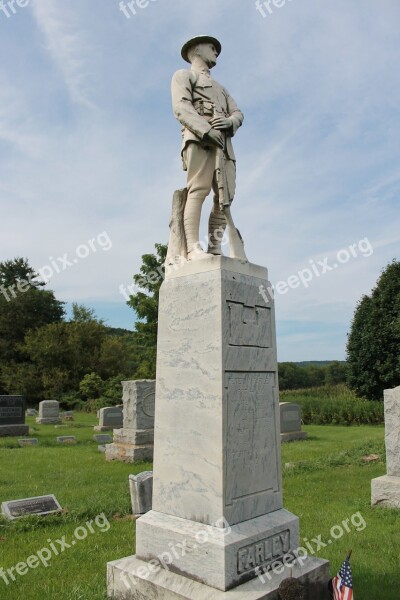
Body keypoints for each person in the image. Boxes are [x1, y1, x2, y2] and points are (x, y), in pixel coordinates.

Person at [171, 35, 244, 260]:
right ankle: (193, 248)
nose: (215, 51)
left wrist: (230, 123)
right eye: (210, 46)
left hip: (224, 144)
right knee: (198, 190)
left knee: (225, 197)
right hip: (199, 138)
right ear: (195, 49)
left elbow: (238, 113)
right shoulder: (183, 76)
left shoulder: (221, 89)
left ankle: (215, 247)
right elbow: (181, 107)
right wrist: (206, 130)